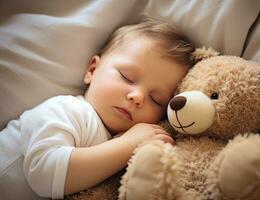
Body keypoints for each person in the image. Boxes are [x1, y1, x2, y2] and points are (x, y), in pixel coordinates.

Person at [0, 17, 195, 199]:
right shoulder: (67, 109)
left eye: (156, 99)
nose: (137, 97)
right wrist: (127, 144)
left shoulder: (118, 145)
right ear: (92, 70)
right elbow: (44, 174)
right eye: (127, 77)